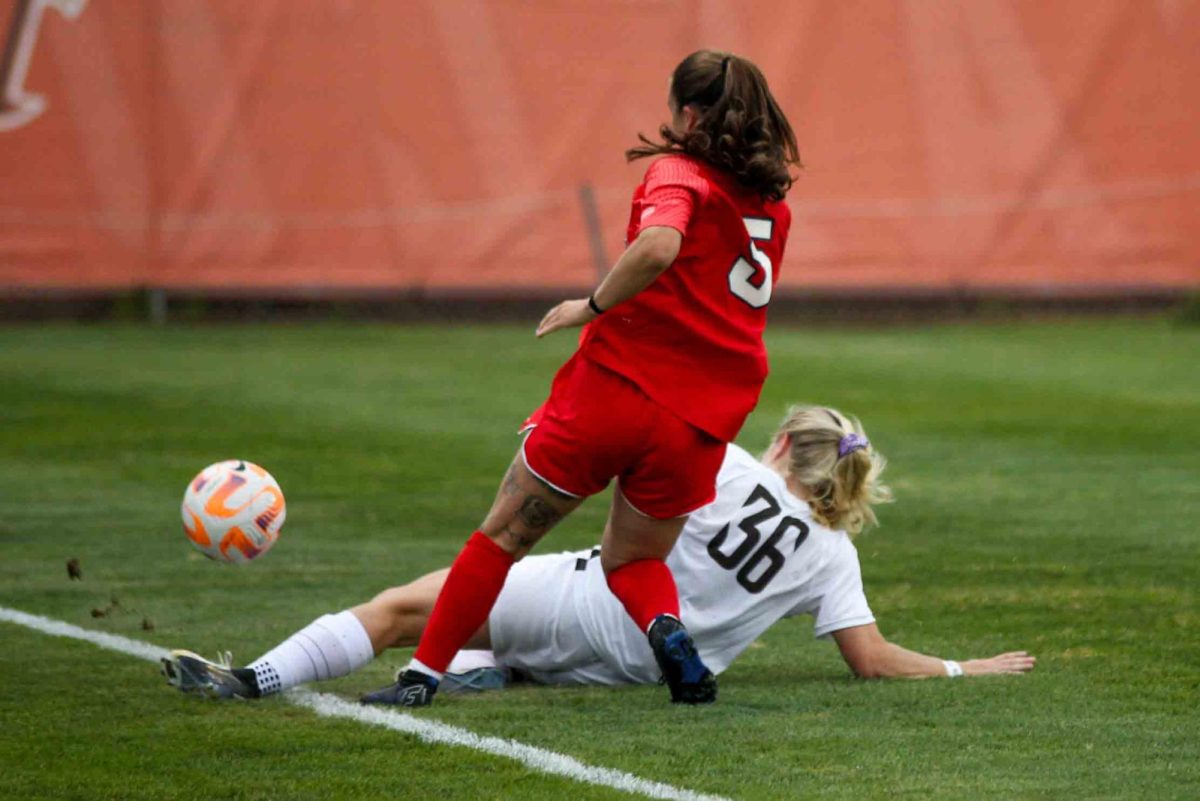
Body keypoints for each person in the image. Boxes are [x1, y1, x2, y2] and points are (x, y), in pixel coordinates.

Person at [348, 50, 798, 707]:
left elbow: (660, 243)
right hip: (699, 421)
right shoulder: (771, 207)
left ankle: (420, 677)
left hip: (618, 390)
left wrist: (589, 306)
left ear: (691, 113)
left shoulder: (678, 171)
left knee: (502, 536)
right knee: (635, 559)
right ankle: (669, 635)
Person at [161, 406, 1036, 702]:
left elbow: (613, 452)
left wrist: (554, 431)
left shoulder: (723, 463)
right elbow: (872, 663)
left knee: (401, 609)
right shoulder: (834, 553)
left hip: (593, 602)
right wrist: (968, 667)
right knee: (508, 647)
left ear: (781, 442)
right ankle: (493, 668)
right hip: (641, 669)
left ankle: (252, 682)